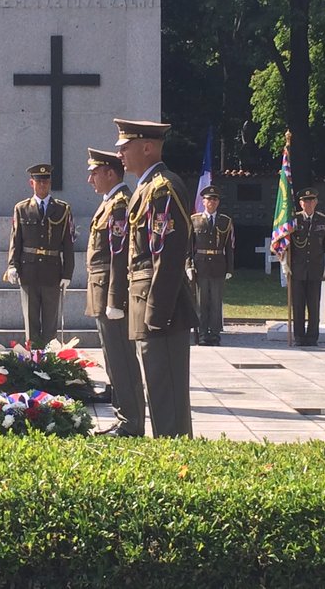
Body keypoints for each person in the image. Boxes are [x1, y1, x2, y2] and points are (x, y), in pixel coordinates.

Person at [114, 118, 197, 438]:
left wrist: (156, 312)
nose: (119, 152)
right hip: (147, 305)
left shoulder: (163, 187)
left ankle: (178, 466)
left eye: (125, 146)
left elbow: (169, 254)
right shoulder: (147, 188)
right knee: (159, 394)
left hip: (161, 310)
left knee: (167, 400)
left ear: (147, 147)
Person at [84, 148, 145, 437]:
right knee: (114, 359)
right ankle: (124, 417)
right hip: (103, 293)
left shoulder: (119, 204)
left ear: (110, 173)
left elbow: (119, 255)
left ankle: (131, 422)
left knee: (122, 360)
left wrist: (115, 299)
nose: (89, 179)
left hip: (112, 295)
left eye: (94, 172)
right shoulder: (110, 203)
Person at [6, 163, 75, 347]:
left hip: (52, 272)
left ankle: (50, 365)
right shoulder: (22, 208)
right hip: (29, 272)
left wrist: (67, 273)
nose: (43, 185)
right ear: (32, 183)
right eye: (39, 181)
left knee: (50, 323)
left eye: (46, 181)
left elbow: (68, 244)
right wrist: (12, 265)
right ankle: (34, 364)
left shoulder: (62, 209)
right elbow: (16, 240)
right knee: (31, 322)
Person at [284, 187, 325, 346]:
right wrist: (285, 264)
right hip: (297, 269)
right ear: (300, 203)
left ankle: (312, 337)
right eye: (305, 201)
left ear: (316, 202)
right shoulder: (293, 220)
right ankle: (299, 336)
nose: (308, 204)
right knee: (298, 305)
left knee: (314, 304)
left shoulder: (323, 220)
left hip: (315, 268)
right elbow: (286, 245)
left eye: (311, 201)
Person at [187, 185, 235, 346]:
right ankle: (201, 334)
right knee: (201, 302)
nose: (212, 202)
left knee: (216, 302)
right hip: (200, 266)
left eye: (214, 199)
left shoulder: (225, 221)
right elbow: (189, 247)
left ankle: (214, 334)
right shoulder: (194, 220)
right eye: (209, 199)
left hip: (218, 266)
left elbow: (229, 247)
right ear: (203, 201)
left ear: (218, 202)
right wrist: (188, 265)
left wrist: (229, 268)